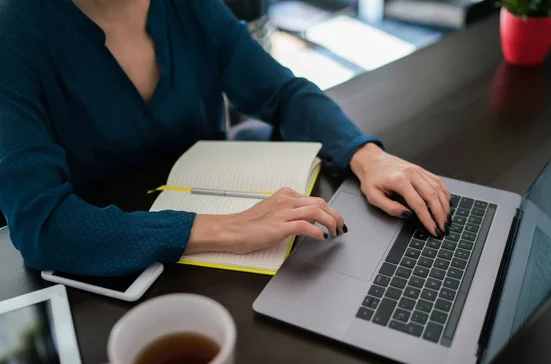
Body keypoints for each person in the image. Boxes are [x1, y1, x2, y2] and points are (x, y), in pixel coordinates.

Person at [0, 0, 451, 277]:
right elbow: (41, 225)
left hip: (219, 269)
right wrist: (231, 227)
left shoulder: (187, 6)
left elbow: (282, 92)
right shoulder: (15, 32)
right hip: (112, 269)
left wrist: (365, 155)